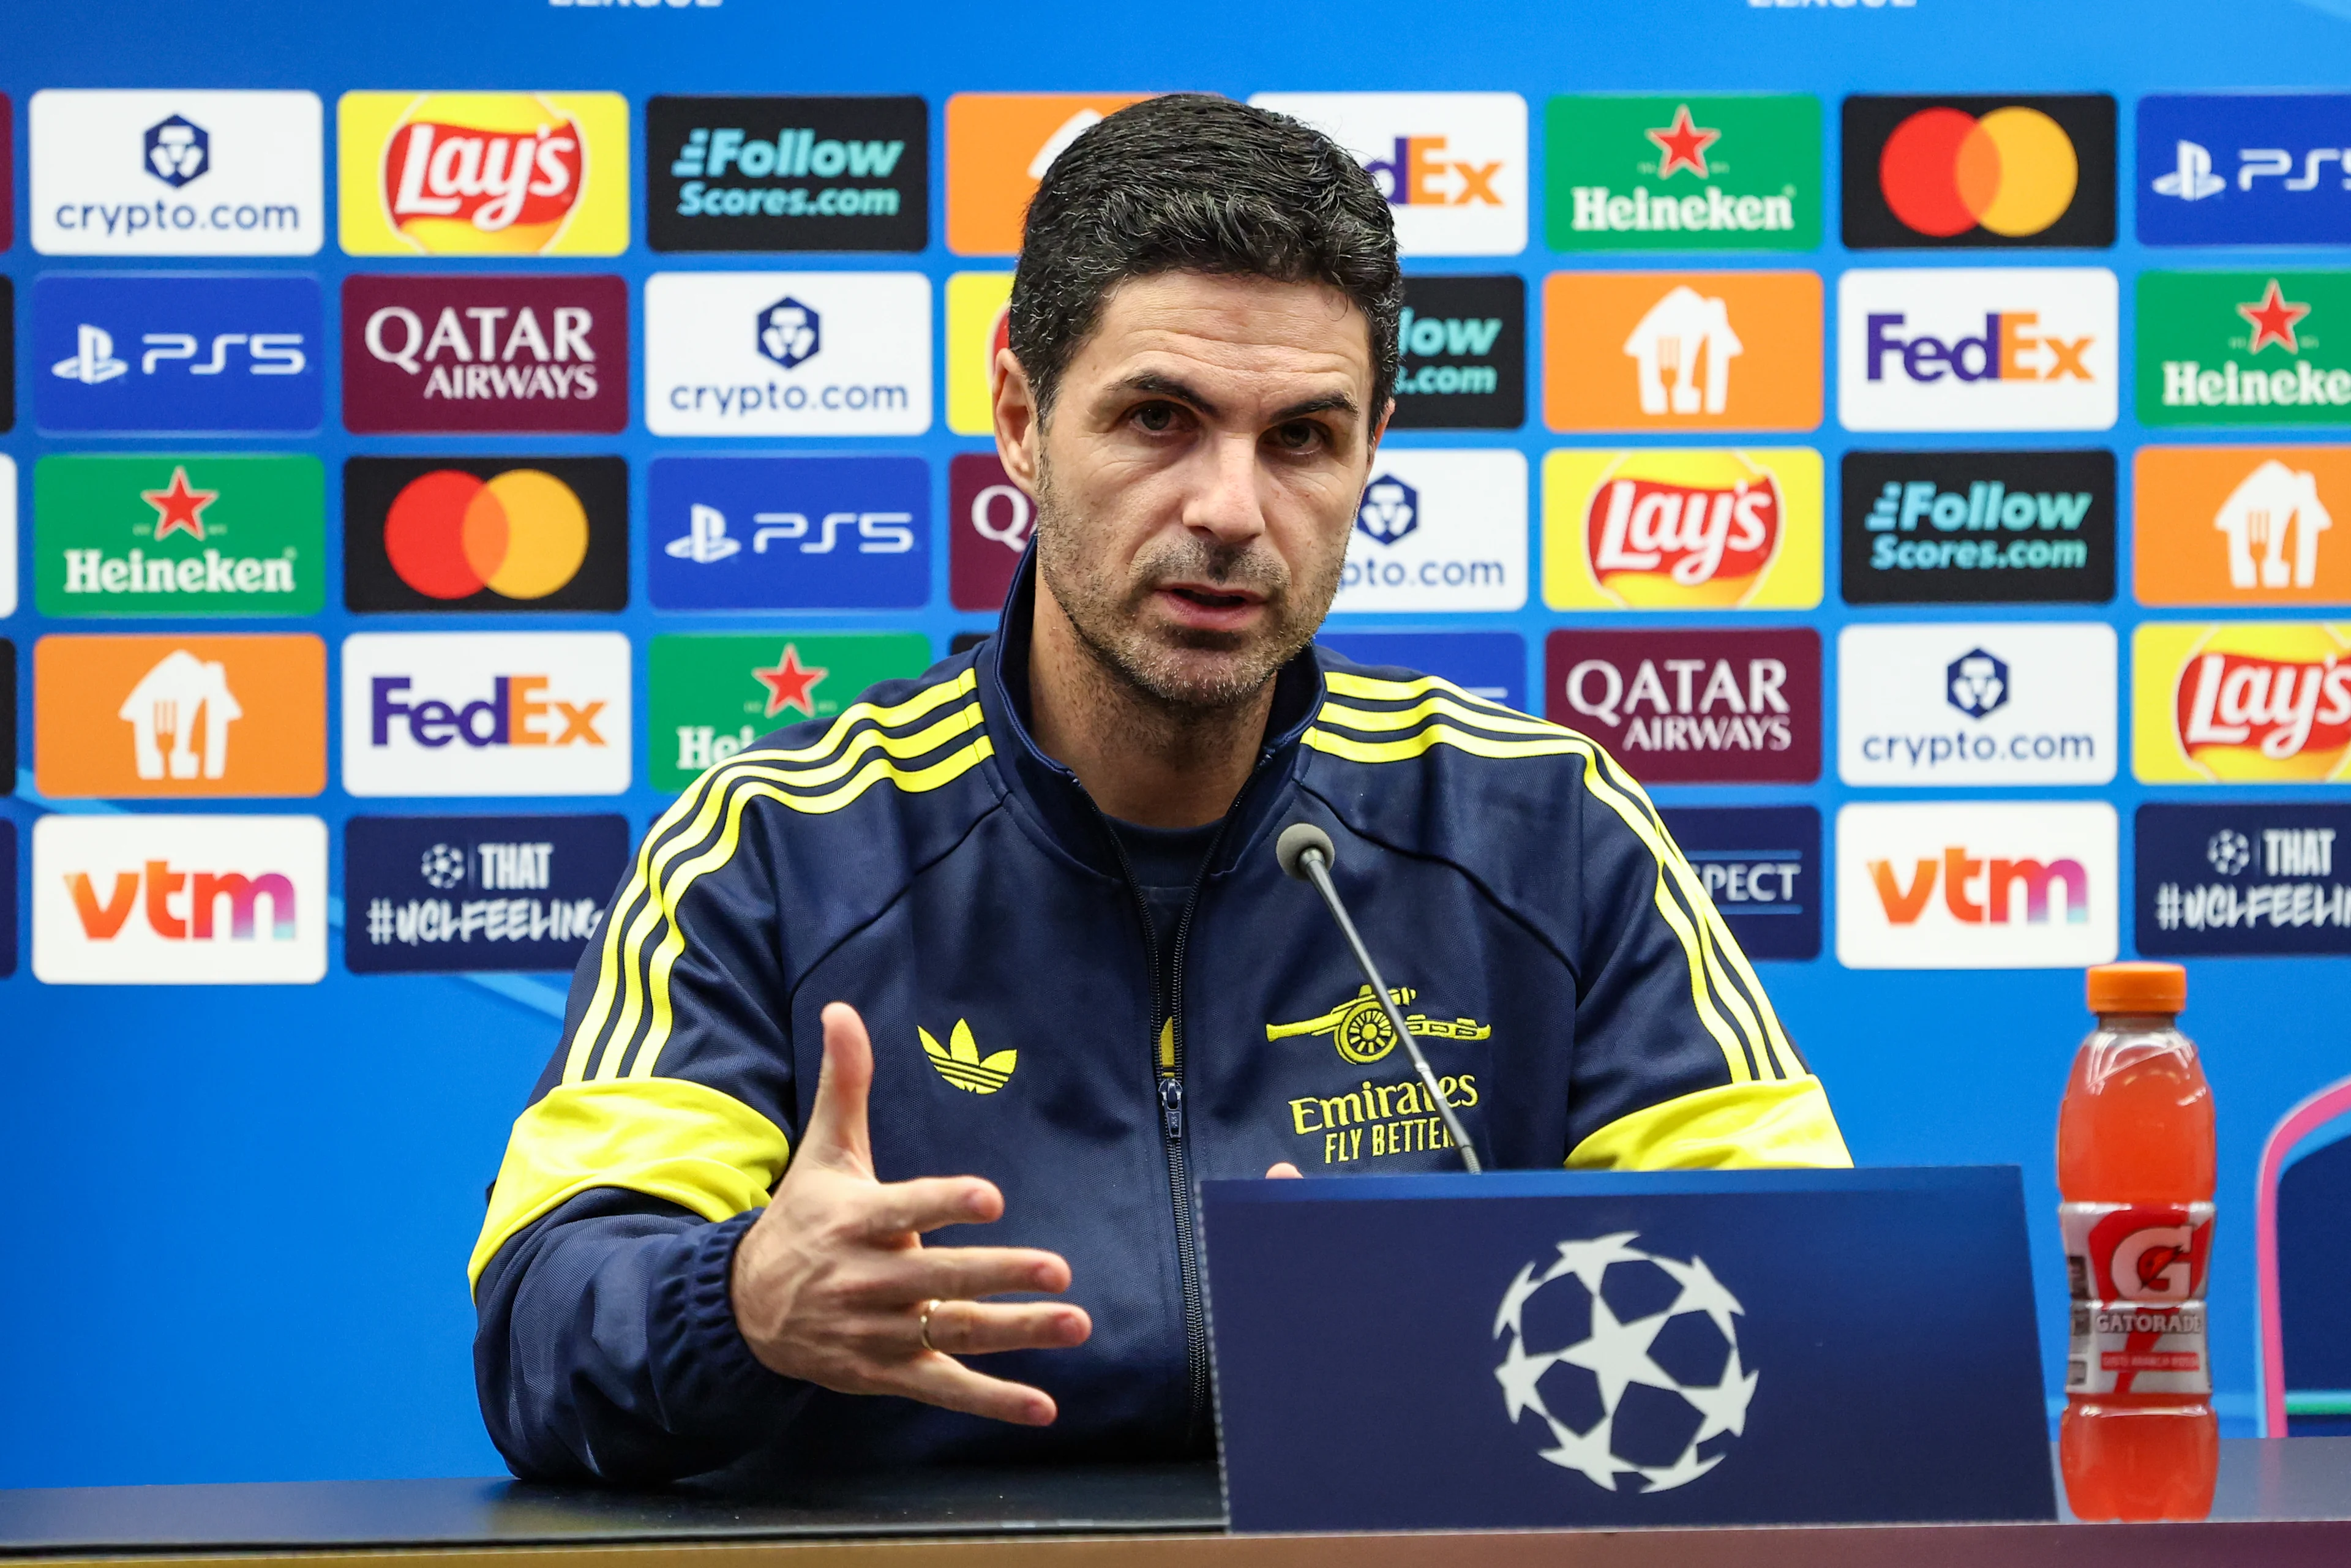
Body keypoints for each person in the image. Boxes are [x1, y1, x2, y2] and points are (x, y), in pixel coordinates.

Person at [471, 93, 1850, 1487]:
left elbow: (1804, 1301)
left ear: (1375, 443)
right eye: (1157, 418)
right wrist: (744, 1303)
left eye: (1302, 438)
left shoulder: (1546, 828)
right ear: (1021, 416)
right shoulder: (776, 845)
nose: (1231, 510)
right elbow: (542, 1315)